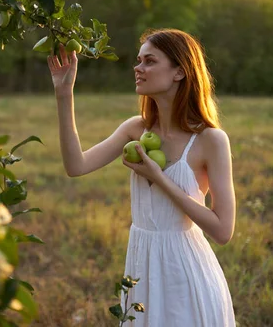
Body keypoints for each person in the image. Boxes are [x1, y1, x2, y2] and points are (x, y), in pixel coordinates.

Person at [47, 28, 236, 326]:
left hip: (186, 271)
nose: (137, 67)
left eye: (149, 61)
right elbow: (76, 166)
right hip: (141, 267)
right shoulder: (136, 129)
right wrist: (63, 94)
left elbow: (223, 231)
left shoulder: (210, 140)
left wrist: (158, 178)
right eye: (138, 60)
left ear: (179, 72)